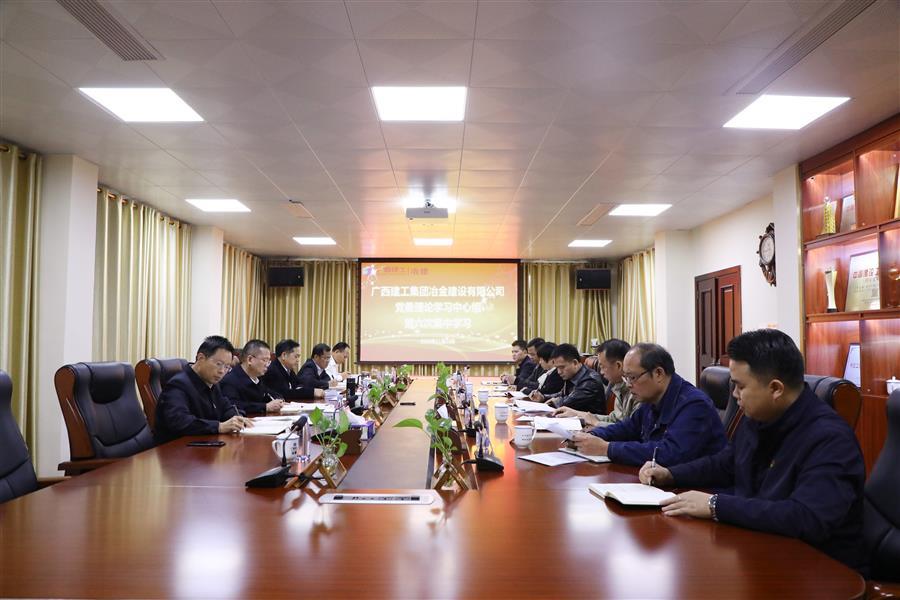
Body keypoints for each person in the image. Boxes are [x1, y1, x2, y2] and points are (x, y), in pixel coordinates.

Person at [640, 329, 867, 572]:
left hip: (818, 571)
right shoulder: (759, 418)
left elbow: (806, 517)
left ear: (776, 388)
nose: (734, 395)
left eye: (740, 386)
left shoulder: (830, 438)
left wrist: (716, 505)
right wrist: (671, 474)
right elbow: (725, 464)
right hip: (760, 550)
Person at [570, 343, 725, 466]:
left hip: (696, 490)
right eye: (626, 378)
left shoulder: (694, 405)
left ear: (658, 373)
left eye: (632, 377)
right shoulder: (651, 399)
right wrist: (591, 436)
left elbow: (670, 453)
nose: (628, 385)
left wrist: (607, 449)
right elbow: (627, 428)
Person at [154, 335, 253, 443]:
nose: (222, 371)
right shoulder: (178, 385)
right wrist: (219, 427)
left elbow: (224, 406)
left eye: (227, 367)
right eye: (219, 364)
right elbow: (179, 421)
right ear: (201, 358)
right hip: (178, 447)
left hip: (203, 443)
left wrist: (237, 417)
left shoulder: (211, 381)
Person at [555, 338, 637, 427]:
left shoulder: (636, 391)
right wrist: (579, 415)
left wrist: (596, 423)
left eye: (602, 366)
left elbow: (631, 431)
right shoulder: (618, 386)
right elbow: (614, 419)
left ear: (618, 365)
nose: (601, 372)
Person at [530, 343, 604, 413]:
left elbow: (568, 402)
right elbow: (562, 394)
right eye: (557, 368)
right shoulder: (572, 375)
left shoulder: (590, 380)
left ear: (575, 363)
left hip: (589, 421)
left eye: (562, 367)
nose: (559, 372)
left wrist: (554, 401)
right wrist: (543, 397)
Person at [219, 339, 283, 415]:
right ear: (250, 359)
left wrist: (279, 400)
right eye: (264, 360)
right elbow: (233, 405)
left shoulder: (258, 377)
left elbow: (267, 393)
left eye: (269, 361)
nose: (267, 365)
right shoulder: (230, 380)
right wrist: (265, 407)